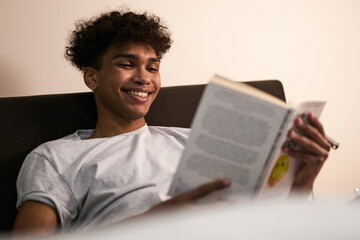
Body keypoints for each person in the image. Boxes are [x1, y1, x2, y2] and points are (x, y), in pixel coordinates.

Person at [12, 9, 331, 238]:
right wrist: (151, 223)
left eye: (153, 67)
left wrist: (302, 181)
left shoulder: (195, 142)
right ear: (92, 77)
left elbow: (278, 226)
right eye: (126, 64)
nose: (143, 77)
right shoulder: (55, 158)